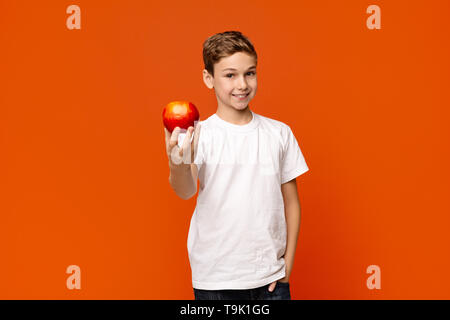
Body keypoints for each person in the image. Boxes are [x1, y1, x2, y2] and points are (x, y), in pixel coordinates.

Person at [164, 30, 309, 300]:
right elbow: (185, 190)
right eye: (230, 75)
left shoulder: (279, 133)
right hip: (215, 279)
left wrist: (286, 267)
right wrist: (177, 162)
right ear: (209, 78)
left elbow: (291, 202)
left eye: (249, 73)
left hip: (270, 278)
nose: (242, 84)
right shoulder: (199, 134)